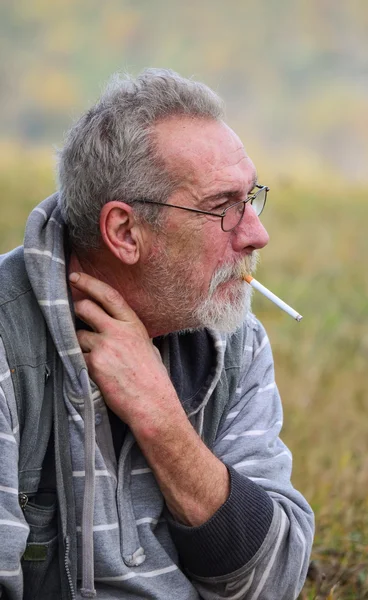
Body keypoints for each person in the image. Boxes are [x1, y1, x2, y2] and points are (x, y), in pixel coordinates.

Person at [0, 68, 314, 600]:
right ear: (125, 232)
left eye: (251, 198)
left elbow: (273, 580)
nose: (257, 233)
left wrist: (162, 421)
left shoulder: (232, 339)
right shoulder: (10, 349)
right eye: (222, 207)